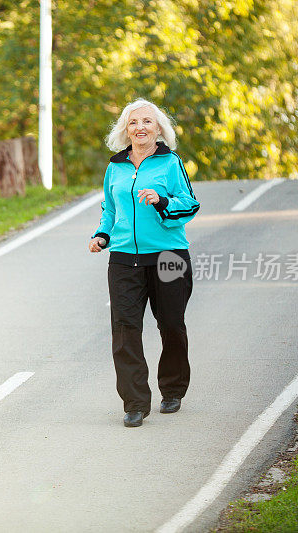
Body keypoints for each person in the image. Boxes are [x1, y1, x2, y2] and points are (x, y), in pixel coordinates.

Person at [89, 98, 200, 428]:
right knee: (124, 330)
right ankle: (135, 402)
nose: (140, 127)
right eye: (134, 122)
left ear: (159, 129)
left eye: (147, 122)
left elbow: (189, 205)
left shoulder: (170, 163)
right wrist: (102, 236)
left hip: (168, 256)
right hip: (123, 259)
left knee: (171, 323)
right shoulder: (116, 168)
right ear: (126, 129)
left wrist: (161, 200)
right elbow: (109, 210)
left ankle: (173, 389)